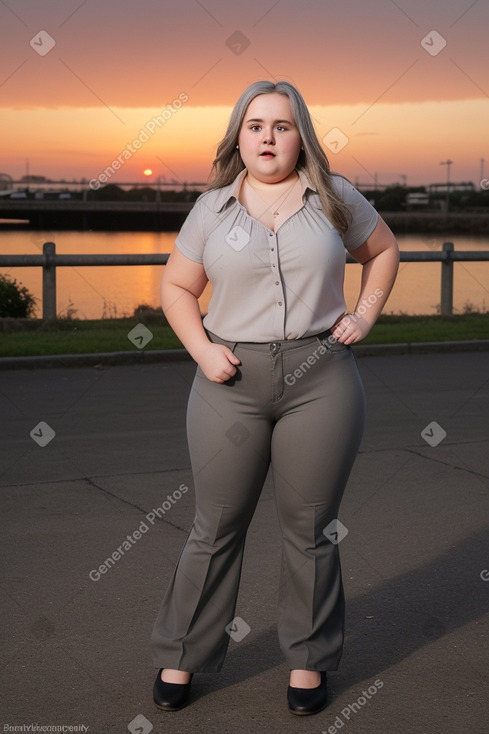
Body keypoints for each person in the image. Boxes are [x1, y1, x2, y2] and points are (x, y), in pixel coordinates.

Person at [150, 80, 399, 716]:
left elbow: (383, 251)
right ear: (239, 135)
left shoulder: (335, 196)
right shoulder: (211, 209)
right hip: (227, 383)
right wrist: (204, 350)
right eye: (256, 125)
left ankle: (310, 663)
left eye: (282, 126)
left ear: (301, 135)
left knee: (310, 529)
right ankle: (183, 654)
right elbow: (177, 287)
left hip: (322, 380)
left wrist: (364, 317)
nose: (268, 136)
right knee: (215, 524)